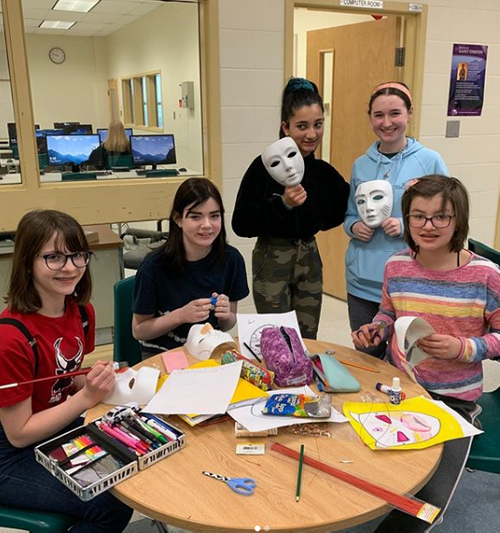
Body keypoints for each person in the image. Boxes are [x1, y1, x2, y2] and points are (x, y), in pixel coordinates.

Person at [353, 175, 500, 532]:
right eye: (418, 216)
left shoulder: (485, 275)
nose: (428, 226)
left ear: (458, 220)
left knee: (422, 507)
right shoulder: (396, 265)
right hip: (398, 391)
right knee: (357, 468)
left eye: (441, 217)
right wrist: (378, 329)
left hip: (453, 402)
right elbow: (388, 312)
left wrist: (463, 348)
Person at [0, 210, 133, 532]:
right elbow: (19, 434)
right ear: (27, 262)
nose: (70, 267)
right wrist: (86, 397)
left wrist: (94, 382)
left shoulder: (81, 311)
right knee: (109, 504)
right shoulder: (9, 338)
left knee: (130, 462)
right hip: (11, 455)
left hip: (55, 427)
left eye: (77, 255)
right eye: (54, 257)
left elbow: (67, 379)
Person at [232, 77, 349, 339]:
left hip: (309, 257)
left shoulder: (322, 172)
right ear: (285, 127)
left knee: (307, 337)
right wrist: (281, 204)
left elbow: (344, 206)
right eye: (302, 126)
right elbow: (241, 223)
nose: (312, 134)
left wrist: (318, 218)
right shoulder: (263, 168)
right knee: (277, 338)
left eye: (318, 124)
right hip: (272, 258)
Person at [344, 81, 448, 357]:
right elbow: (350, 213)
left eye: (395, 113)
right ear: (370, 117)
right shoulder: (361, 165)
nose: (387, 123)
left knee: (409, 358)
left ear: (410, 113)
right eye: (378, 115)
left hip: (410, 283)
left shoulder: (429, 161)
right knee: (367, 355)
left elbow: (447, 218)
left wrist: (405, 226)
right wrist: (354, 226)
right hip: (362, 280)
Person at [132, 177, 249, 358]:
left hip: (209, 349)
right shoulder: (153, 266)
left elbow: (227, 325)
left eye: (214, 216)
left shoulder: (231, 259)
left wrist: (226, 315)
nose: (207, 225)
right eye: (196, 216)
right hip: (163, 353)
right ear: (178, 219)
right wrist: (180, 315)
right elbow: (139, 330)